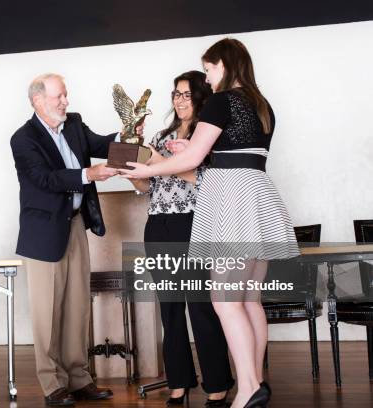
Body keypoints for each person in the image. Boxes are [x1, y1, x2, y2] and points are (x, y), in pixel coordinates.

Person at [121, 39, 299, 408]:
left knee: (224, 299)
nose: (207, 77)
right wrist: (190, 153)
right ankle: (257, 381)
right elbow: (234, 153)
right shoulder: (262, 105)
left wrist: (148, 167)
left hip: (232, 203)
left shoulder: (221, 101)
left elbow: (197, 158)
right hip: (258, 196)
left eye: (209, 68)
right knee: (250, 299)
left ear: (226, 65)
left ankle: (249, 388)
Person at [10, 73, 141, 406]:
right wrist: (89, 174)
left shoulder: (74, 124)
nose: (66, 101)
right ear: (38, 101)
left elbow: (103, 146)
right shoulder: (23, 139)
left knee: (78, 306)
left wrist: (129, 136)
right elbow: (45, 178)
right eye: (59, 97)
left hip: (75, 226)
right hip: (42, 237)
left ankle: (79, 378)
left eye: (66, 95)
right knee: (47, 313)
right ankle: (52, 384)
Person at [129, 71, 234, 406]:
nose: (178, 99)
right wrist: (135, 172)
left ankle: (217, 383)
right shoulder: (162, 135)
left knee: (201, 306)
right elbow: (149, 186)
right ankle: (178, 381)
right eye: (175, 94)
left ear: (201, 96)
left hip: (192, 224)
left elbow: (201, 179)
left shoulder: (209, 134)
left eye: (186, 94)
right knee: (169, 309)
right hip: (158, 225)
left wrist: (161, 162)